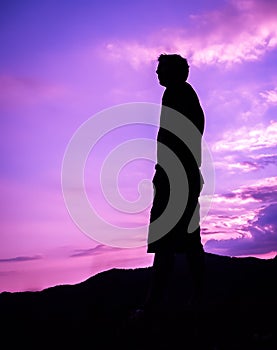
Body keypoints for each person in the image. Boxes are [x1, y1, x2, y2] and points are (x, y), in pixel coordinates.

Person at [137, 54, 206, 316]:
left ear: (175, 72)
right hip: (181, 177)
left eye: (160, 69)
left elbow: (177, 142)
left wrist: (166, 175)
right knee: (188, 241)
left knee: (167, 242)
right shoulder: (183, 95)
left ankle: (153, 306)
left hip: (176, 179)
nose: (156, 74)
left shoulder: (178, 94)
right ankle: (197, 298)